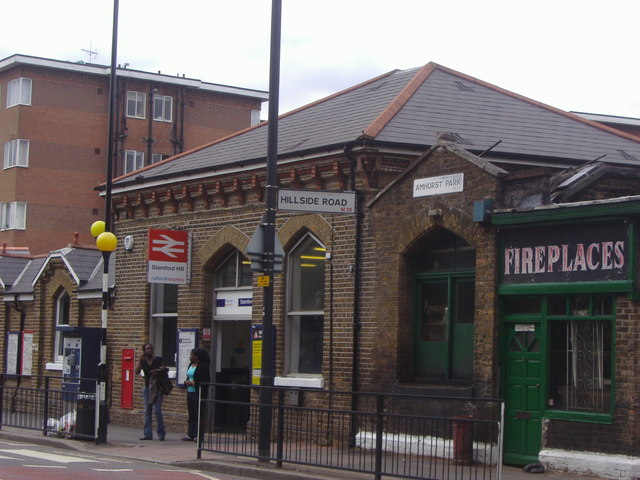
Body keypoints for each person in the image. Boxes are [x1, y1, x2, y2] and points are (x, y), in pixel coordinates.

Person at [134, 343, 167, 441]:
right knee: (147, 412)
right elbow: (136, 371)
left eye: (151, 349)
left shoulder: (158, 359)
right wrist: (140, 359)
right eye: (148, 349)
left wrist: (158, 371)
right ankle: (147, 434)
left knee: (157, 410)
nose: (150, 350)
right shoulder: (143, 361)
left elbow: (164, 368)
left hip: (157, 388)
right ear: (144, 351)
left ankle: (161, 433)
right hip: (148, 388)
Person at [183, 347, 210, 441]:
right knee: (191, 414)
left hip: (197, 393)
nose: (190, 356)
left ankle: (197, 435)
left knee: (198, 414)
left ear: (196, 356)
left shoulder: (203, 366)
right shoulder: (191, 365)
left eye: (191, 355)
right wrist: (186, 381)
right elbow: (188, 376)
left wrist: (194, 383)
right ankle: (190, 434)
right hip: (190, 392)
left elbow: (206, 380)